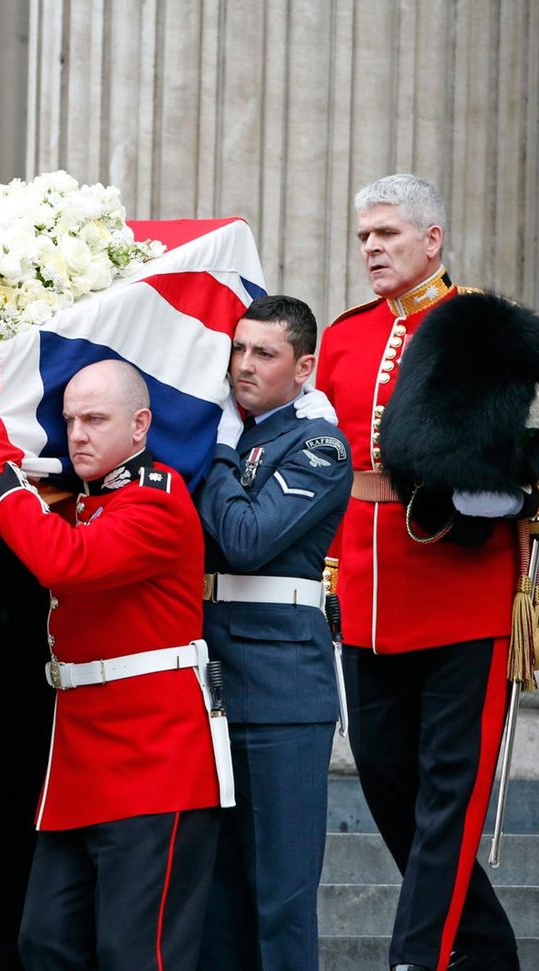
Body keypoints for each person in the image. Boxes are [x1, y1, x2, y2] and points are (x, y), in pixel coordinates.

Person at [315, 174, 539, 971]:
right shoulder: (346, 336)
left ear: (432, 240)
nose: (371, 247)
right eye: (364, 235)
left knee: (448, 796)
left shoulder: (488, 331)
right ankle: (488, 947)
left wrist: (524, 488)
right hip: (366, 590)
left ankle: (417, 957)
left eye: (388, 234)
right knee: (387, 779)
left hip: (462, 588)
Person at [0, 359, 230, 969]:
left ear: (140, 426)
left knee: (137, 953)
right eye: (69, 420)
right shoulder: (87, 502)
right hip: (80, 755)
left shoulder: (158, 500)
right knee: (46, 942)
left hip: (153, 757)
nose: (76, 434)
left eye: (94, 419)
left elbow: (67, 565)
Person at [195, 295, 351, 971]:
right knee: (217, 896)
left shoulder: (318, 444)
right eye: (238, 349)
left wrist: (222, 453)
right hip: (215, 677)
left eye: (264, 353)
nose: (244, 365)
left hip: (284, 687)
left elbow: (247, 538)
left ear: (304, 366)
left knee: (280, 898)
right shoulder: (224, 432)